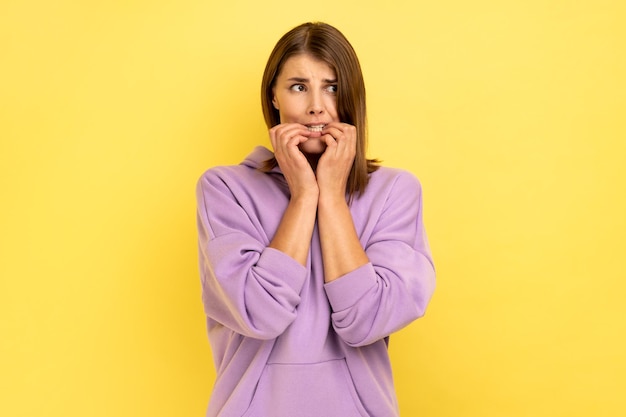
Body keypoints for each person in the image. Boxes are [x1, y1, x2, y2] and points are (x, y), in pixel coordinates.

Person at [196, 21, 436, 417]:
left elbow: (367, 320)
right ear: (273, 95)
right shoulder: (225, 189)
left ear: (351, 96)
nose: (316, 106)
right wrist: (305, 194)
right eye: (298, 86)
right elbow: (259, 312)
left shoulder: (395, 191)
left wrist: (332, 196)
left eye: (332, 87)